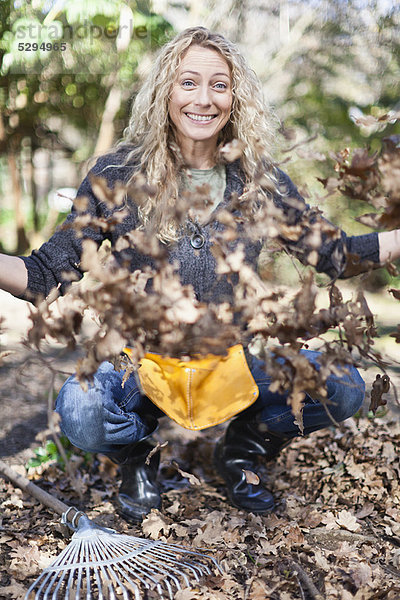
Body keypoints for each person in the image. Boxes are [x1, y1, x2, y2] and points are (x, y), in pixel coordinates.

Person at [1, 27, 399, 522]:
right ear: (166, 91)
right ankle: (137, 458)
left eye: (219, 84)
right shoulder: (118, 174)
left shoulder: (261, 182)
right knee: (81, 407)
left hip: (227, 365)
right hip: (140, 370)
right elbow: (45, 273)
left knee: (344, 386)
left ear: (236, 98)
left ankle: (243, 450)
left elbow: (336, 255)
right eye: (188, 82)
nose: (203, 99)